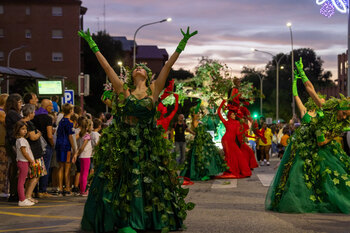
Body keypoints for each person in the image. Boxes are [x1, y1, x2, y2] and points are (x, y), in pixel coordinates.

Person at [78, 27, 197, 232]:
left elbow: (169, 65)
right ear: (133, 76)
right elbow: (107, 68)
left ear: (149, 74)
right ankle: (126, 219)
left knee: (148, 181)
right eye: (136, 67)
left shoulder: (154, 89)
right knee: (124, 182)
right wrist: (92, 45)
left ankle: (148, 219)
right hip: (125, 144)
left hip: (148, 144)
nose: (138, 68)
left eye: (142, 67)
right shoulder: (124, 91)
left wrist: (182, 44)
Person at [266, 58, 350, 213]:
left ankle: (329, 198)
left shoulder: (338, 120)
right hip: (309, 143)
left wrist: (329, 137)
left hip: (325, 146)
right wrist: (301, 75)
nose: (344, 117)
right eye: (344, 113)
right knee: (304, 172)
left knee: (332, 173)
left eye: (347, 116)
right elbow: (309, 90)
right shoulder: (319, 110)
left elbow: (327, 136)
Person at [180, 105, 227, 181]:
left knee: (207, 157)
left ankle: (208, 172)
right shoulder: (195, 121)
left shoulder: (199, 120)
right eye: (196, 113)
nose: (198, 114)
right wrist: (198, 104)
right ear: (193, 114)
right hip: (200, 142)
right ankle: (202, 173)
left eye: (198, 113)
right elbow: (197, 129)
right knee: (201, 158)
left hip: (204, 140)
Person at [217, 99, 251, 178]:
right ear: (229, 115)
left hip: (231, 141)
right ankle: (230, 170)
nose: (234, 115)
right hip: (225, 140)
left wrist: (244, 129)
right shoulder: (226, 122)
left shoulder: (237, 123)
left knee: (238, 154)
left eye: (234, 115)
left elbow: (238, 133)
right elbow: (219, 113)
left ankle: (239, 170)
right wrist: (222, 103)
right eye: (232, 115)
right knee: (229, 155)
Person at [21, 104, 47, 203]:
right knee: (36, 176)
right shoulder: (29, 124)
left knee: (30, 176)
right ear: (30, 113)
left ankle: (26, 195)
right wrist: (39, 133)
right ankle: (28, 196)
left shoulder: (20, 122)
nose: (34, 114)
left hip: (29, 152)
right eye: (33, 112)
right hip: (35, 153)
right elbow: (33, 137)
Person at [32, 99, 54, 198]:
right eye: (51, 106)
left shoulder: (34, 116)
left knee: (37, 167)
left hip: (35, 145)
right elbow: (49, 135)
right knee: (45, 168)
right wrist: (52, 144)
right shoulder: (48, 118)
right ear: (47, 107)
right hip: (46, 146)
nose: (52, 108)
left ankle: (34, 190)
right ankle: (42, 191)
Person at [55, 103, 77, 196]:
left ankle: (60, 187)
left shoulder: (61, 121)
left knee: (60, 167)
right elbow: (70, 136)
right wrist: (74, 148)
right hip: (66, 146)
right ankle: (67, 188)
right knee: (67, 168)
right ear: (71, 111)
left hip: (59, 145)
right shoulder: (69, 122)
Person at [5, 93, 23, 202]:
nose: (21, 104)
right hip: (13, 143)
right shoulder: (12, 113)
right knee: (17, 167)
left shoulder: (12, 113)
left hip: (12, 142)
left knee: (16, 167)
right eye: (19, 102)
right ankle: (14, 193)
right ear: (14, 103)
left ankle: (15, 192)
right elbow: (22, 123)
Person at [14, 121, 35, 206]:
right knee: (21, 182)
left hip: (24, 162)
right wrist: (31, 160)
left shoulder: (22, 139)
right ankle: (22, 200)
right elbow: (24, 152)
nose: (25, 131)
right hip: (23, 162)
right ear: (17, 130)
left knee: (22, 181)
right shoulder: (21, 140)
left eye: (26, 129)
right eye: (22, 129)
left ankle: (23, 199)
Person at [73, 118, 92, 196]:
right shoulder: (87, 135)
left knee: (82, 173)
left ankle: (82, 189)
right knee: (85, 173)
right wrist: (78, 153)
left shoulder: (81, 134)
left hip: (81, 156)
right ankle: (84, 190)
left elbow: (78, 146)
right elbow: (83, 147)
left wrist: (77, 154)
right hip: (86, 155)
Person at [0, 94, 9, 197]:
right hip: (2, 143)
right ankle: (2, 190)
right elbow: (8, 123)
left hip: (3, 143)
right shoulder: (2, 113)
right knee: (3, 167)